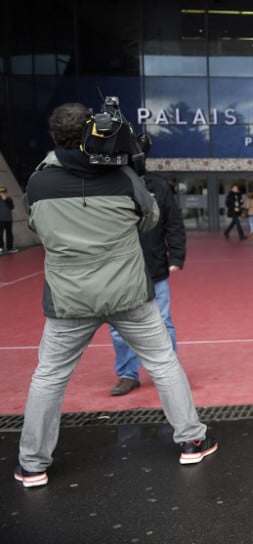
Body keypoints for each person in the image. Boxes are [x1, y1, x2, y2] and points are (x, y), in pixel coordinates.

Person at [15, 103, 216, 488]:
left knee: (49, 377)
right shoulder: (123, 178)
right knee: (162, 362)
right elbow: (151, 218)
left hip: (69, 300)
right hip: (129, 293)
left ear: (54, 138)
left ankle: (32, 464)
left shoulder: (39, 184)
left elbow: (37, 226)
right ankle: (192, 439)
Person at [109, 169, 186, 397]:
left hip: (153, 269)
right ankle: (128, 375)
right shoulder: (104, 183)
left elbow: (173, 222)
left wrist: (176, 256)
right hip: (116, 271)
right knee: (117, 328)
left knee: (163, 322)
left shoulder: (158, 186)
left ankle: (171, 373)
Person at [0, 186, 18, 254]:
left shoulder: (9, 199)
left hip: (8, 219)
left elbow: (12, 207)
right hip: (0, 220)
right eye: (1, 192)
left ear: (6, 192)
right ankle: (0, 247)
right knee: (0, 234)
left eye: (3, 192)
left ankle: (9, 248)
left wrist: (6, 200)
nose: (2, 193)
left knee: (9, 234)